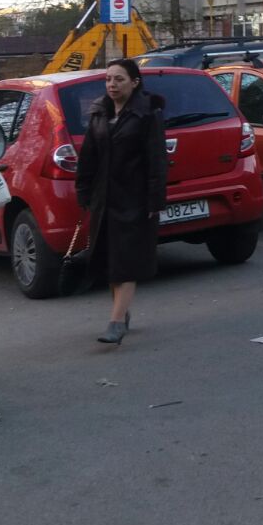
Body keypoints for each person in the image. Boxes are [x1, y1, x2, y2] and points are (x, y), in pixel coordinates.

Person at [76, 59, 170, 344]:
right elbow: (88, 156)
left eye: (119, 79)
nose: (112, 85)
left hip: (134, 199)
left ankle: (115, 323)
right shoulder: (99, 112)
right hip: (104, 199)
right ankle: (122, 310)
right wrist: (84, 191)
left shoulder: (147, 114)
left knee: (126, 261)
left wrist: (155, 200)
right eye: (108, 79)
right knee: (110, 259)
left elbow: (157, 159)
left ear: (134, 82)